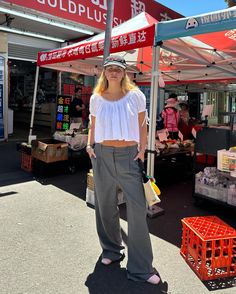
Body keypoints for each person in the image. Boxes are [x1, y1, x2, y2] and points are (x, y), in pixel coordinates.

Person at [86, 55, 160, 285]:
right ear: (104, 72)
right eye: (110, 69)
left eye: (118, 69)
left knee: (137, 209)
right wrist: (89, 144)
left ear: (124, 72)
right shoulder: (96, 98)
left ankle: (141, 268)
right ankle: (111, 250)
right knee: (105, 204)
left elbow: (143, 123)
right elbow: (93, 123)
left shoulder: (136, 96)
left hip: (129, 155)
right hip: (102, 154)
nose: (114, 73)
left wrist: (142, 149)